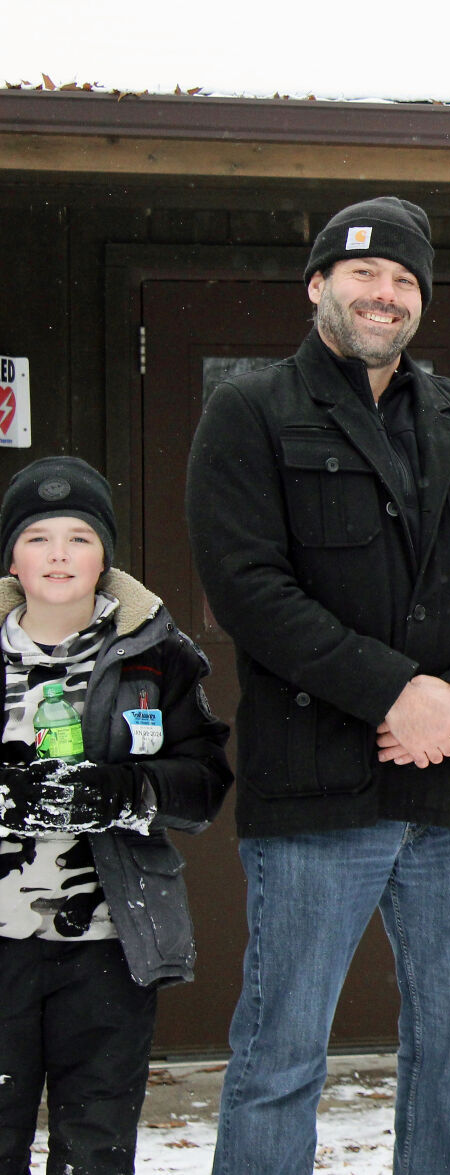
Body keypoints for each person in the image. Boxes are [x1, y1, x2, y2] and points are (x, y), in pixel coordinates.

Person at [184, 196, 450, 1175]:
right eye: (362, 274)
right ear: (318, 286)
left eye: (402, 279)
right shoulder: (251, 412)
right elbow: (248, 587)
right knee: (282, 1053)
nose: (383, 294)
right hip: (316, 792)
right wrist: (397, 691)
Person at [0, 456, 231, 1174]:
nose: (60, 554)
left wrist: (124, 792)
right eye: (39, 536)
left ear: (105, 555)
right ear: (12, 554)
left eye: (79, 536)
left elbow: (204, 782)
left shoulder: (157, 654)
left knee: (96, 1143)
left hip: (108, 942)